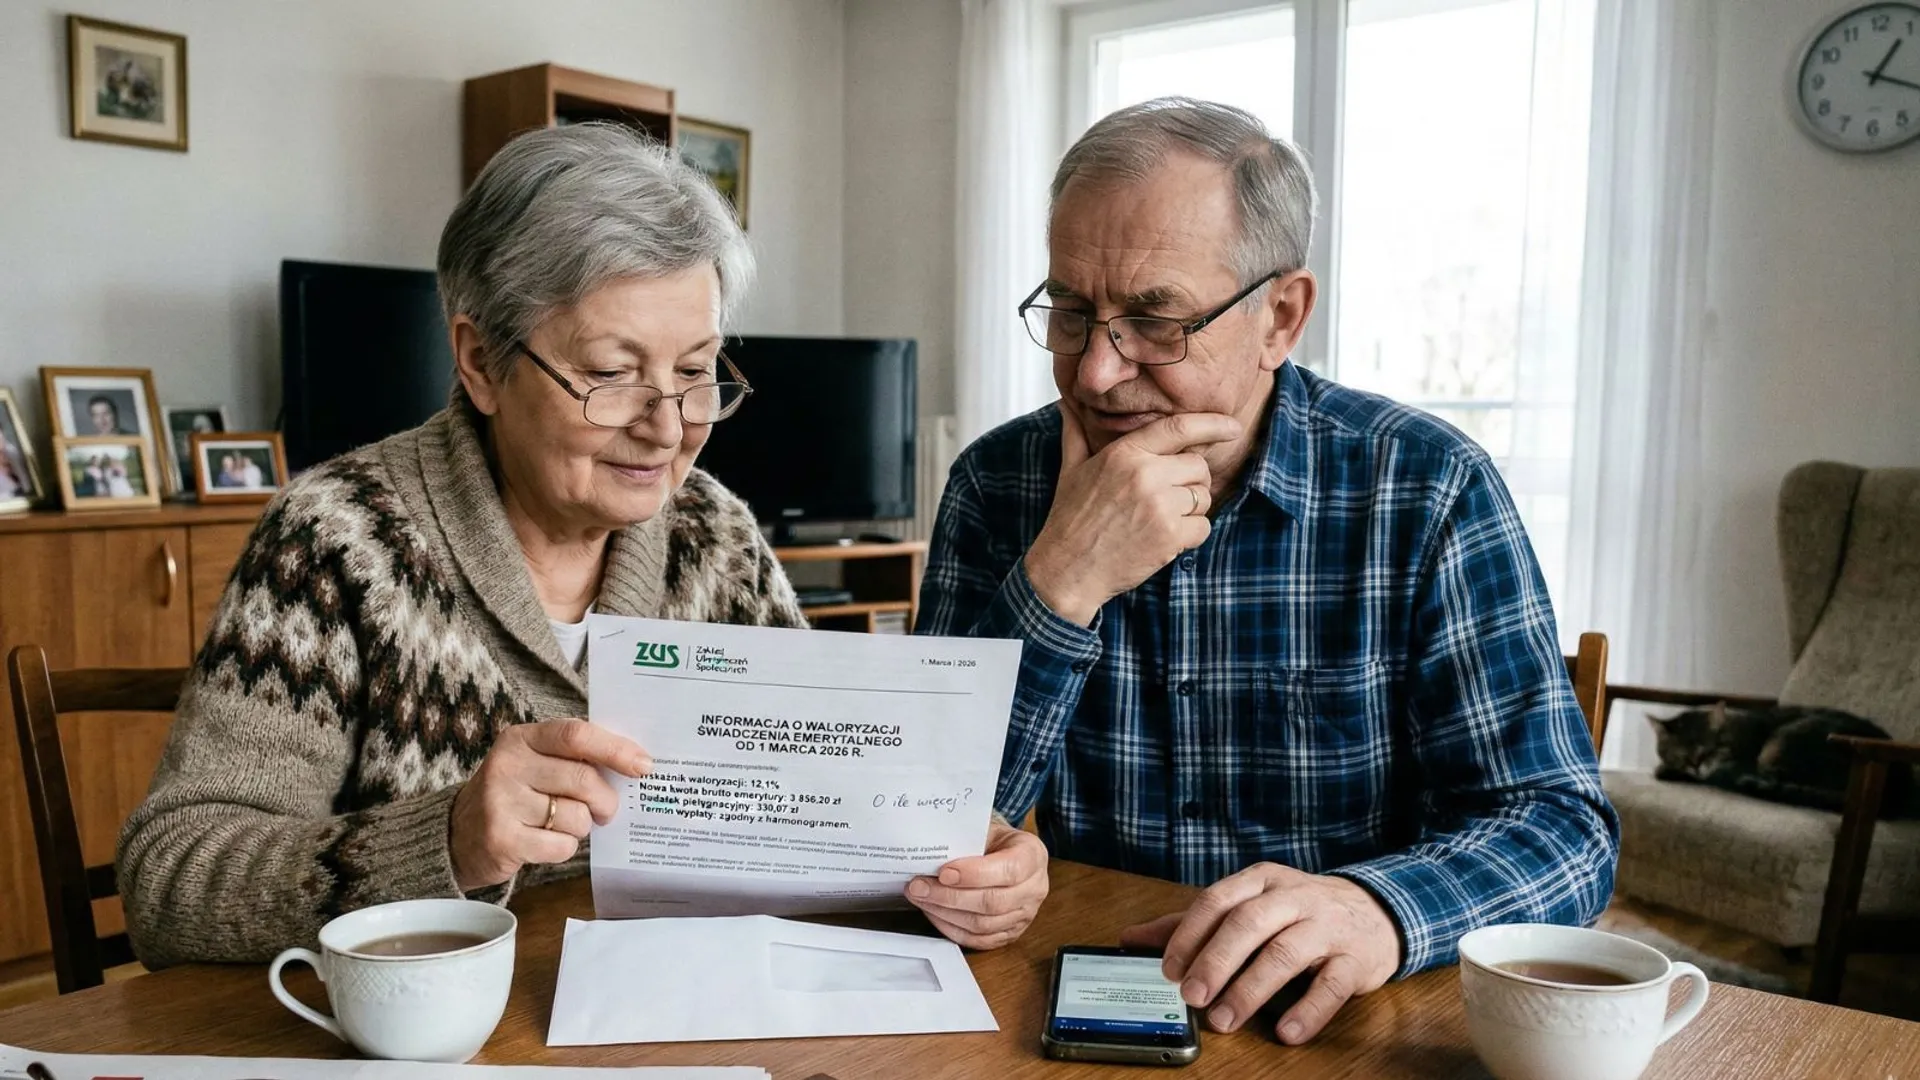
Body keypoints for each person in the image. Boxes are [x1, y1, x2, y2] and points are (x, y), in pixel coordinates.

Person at [119, 122, 1044, 967]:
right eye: (610, 375)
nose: (668, 428)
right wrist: (443, 839)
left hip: (680, 1020)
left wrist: (968, 854)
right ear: (481, 361)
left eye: (695, 373)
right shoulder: (337, 542)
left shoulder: (713, 534)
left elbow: (830, 800)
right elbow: (169, 879)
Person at [918, 98, 1618, 1044]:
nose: (1092, 374)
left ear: (1280, 318)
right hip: (1082, 1005)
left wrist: (1377, 910)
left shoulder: (1424, 486)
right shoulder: (997, 486)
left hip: (1349, 1027)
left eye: (1157, 321)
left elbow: (1561, 828)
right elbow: (917, 816)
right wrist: (1064, 580)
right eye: (1072, 314)